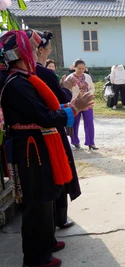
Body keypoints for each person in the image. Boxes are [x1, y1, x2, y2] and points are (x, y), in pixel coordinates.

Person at [0, 29, 94, 267]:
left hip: (38, 146)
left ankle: (47, 243)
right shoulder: (17, 84)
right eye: (32, 49)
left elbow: (45, 110)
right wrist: (74, 109)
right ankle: (36, 259)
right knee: (36, 203)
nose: (36, 52)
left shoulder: (24, 79)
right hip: (31, 149)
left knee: (46, 197)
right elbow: (44, 116)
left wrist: (69, 105)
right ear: (21, 53)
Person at [35, 30, 80, 230]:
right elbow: (60, 101)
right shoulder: (43, 73)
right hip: (51, 131)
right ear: (41, 50)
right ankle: (60, 217)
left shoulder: (26, 74)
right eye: (49, 48)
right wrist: (67, 89)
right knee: (60, 170)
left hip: (33, 136)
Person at [67, 59, 98, 150]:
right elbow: (67, 91)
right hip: (75, 103)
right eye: (79, 68)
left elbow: (92, 88)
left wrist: (88, 94)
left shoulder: (87, 77)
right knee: (75, 122)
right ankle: (75, 141)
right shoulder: (70, 78)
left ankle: (90, 142)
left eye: (83, 68)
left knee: (89, 121)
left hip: (86, 102)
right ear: (74, 67)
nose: (81, 70)